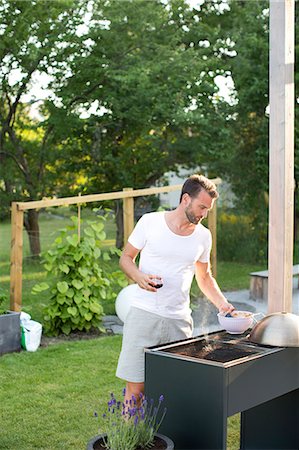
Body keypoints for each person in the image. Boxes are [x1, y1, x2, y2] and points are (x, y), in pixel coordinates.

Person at [116, 174, 234, 404]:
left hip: (178, 322)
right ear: (185, 199)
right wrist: (138, 276)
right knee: (136, 390)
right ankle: (132, 440)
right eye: (201, 207)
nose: (204, 214)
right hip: (144, 315)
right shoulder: (150, 222)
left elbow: (205, 276)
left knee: (174, 391)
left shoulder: (203, 236)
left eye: (207, 209)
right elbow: (126, 258)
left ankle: (168, 439)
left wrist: (223, 304)